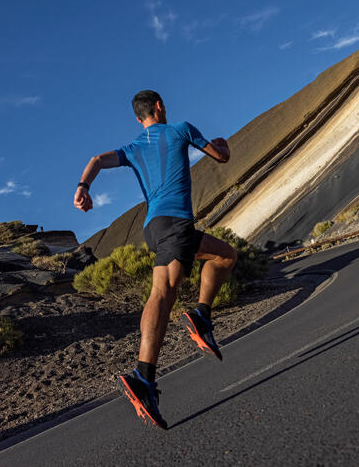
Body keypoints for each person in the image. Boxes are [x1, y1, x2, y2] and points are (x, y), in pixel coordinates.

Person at [73, 90, 237, 429]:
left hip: (156, 227)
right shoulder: (181, 129)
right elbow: (219, 157)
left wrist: (83, 187)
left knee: (224, 256)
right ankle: (143, 377)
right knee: (162, 293)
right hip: (175, 222)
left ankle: (201, 316)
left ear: (138, 118)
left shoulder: (133, 148)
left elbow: (97, 160)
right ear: (159, 107)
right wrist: (223, 145)